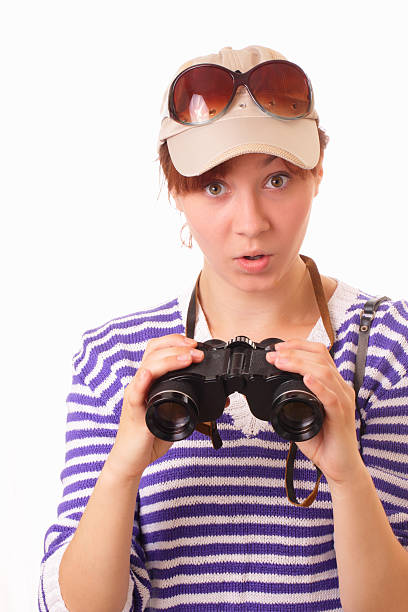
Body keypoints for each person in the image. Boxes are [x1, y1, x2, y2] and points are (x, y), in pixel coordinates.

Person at [39, 45, 408, 611]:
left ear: (318, 176)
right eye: (214, 187)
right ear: (177, 193)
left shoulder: (388, 345)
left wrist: (346, 474)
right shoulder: (115, 356)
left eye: (278, 179)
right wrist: (124, 467)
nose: (251, 223)